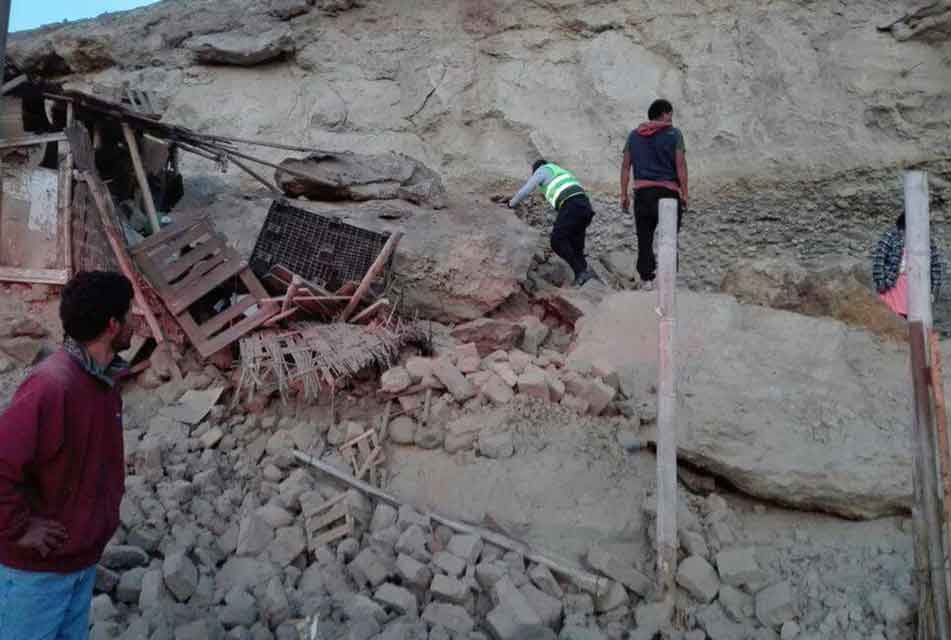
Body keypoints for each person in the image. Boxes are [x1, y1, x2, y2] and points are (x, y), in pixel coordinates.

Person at [0, 271, 134, 640]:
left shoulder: (103, 381)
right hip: (37, 576)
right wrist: (19, 528)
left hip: (78, 563)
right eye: (130, 312)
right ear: (112, 325)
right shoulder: (51, 386)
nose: (135, 321)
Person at [620, 98, 689, 291]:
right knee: (668, 239)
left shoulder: (634, 136)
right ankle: (667, 280)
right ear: (665, 113)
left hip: (642, 194)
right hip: (668, 193)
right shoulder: (674, 134)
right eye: (670, 114)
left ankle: (647, 279)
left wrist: (623, 194)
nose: (671, 119)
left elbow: (626, 167)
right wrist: (685, 193)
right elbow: (680, 165)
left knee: (644, 237)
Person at [509, 159, 600, 287]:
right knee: (576, 245)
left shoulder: (542, 170)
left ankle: (581, 273)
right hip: (585, 206)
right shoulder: (561, 172)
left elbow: (526, 189)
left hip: (571, 205)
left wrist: (511, 203)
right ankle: (586, 278)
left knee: (557, 241)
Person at [872, 214, 943, 318]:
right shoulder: (892, 236)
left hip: (917, 289)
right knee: (890, 318)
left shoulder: (927, 241)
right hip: (892, 285)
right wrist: (881, 283)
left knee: (914, 322)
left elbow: (935, 267)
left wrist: (933, 292)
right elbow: (879, 260)